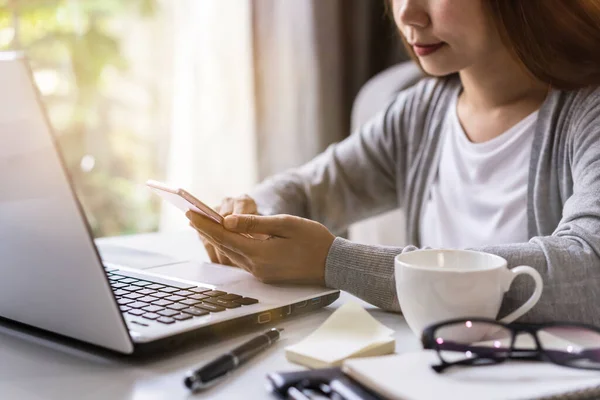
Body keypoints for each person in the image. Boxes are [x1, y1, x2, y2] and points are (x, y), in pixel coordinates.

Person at [186, 0, 600, 324]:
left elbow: (589, 271)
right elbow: (309, 189)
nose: (407, 14)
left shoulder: (588, 112)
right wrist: (252, 215)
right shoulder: (420, 113)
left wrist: (335, 263)